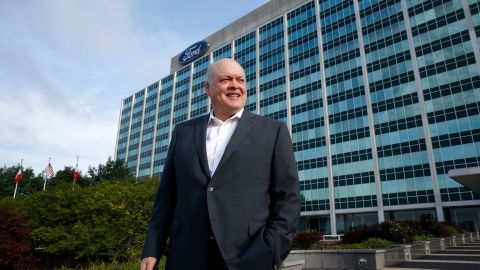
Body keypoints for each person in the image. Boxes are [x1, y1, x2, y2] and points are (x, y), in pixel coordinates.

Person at [140, 58, 300, 270]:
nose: (235, 85)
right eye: (226, 79)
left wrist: (271, 248)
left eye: (240, 80)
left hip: (248, 256)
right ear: (207, 88)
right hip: (186, 256)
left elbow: (288, 196)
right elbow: (166, 197)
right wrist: (152, 248)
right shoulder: (183, 133)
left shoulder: (273, 131)